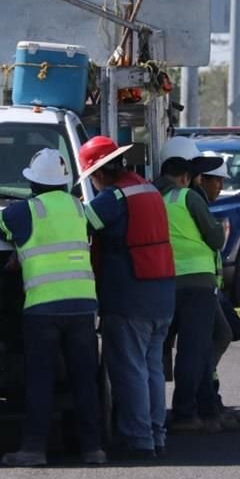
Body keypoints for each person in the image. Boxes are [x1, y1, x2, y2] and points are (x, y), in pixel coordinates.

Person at [0, 148, 106, 466]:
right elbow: (95, 226)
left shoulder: (26, 211)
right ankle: (93, 448)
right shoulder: (79, 207)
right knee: (85, 379)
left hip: (43, 307)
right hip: (82, 306)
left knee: (41, 380)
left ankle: (33, 448)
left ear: (34, 184)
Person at [78, 136, 176, 460]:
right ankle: (156, 436)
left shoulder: (112, 198)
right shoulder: (147, 188)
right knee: (151, 368)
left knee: (130, 369)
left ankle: (138, 440)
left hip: (129, 295)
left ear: (100, 173)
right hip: (161, 291)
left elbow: (79, 226)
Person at [154, 137, 226, 433]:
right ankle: (186, 413)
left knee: (158, 350)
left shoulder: (151, 197)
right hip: (196, 283)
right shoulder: (187, 197)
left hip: (162, 282)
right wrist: (220, 232)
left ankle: (200, 409)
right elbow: (216, 239)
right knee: (193, 350)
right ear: (185, 175)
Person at [196, 152, 240, 429]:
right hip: (199, 287)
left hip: (210, 286)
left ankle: (210, 393)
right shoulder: (193, 202)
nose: (222, 188)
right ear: (202, 179)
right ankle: (208, 397)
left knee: (231, 332)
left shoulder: (199, 202)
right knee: (222, 334)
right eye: (217, 182)